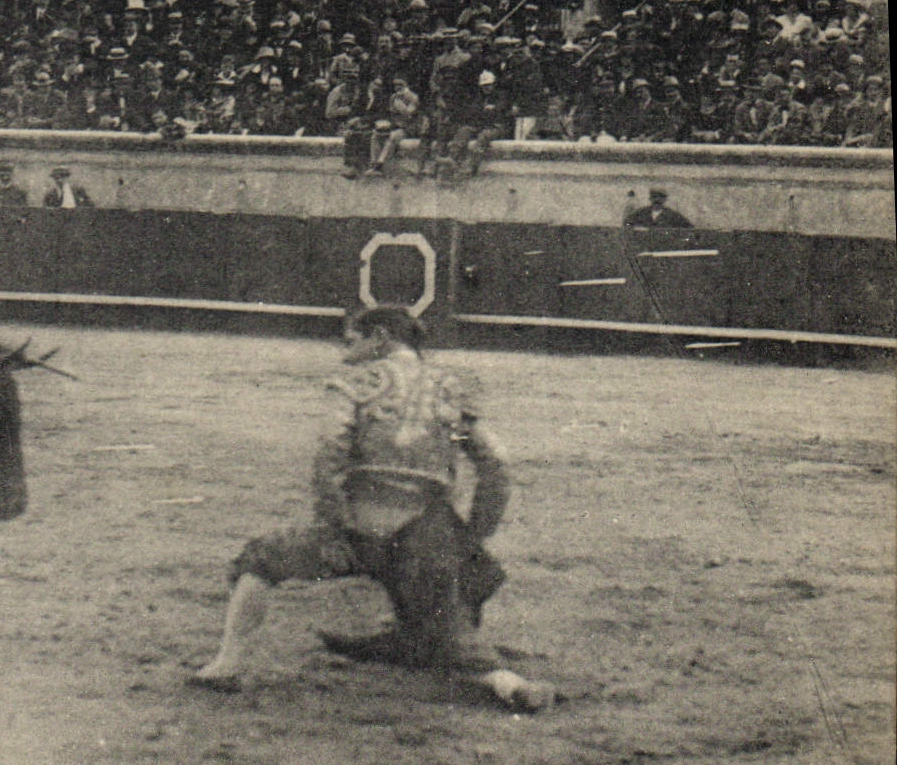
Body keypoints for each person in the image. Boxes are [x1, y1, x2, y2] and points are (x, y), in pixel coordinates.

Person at [193, 306, 555, 713]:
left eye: (353, 340)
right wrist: (471, 535)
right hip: (424, 531)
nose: (346, 351)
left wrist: (333, 528)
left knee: (259, 561)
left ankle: (227, 664)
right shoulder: (451, 390)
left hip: (357, 526)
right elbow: (497, 466)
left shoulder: (355, 384)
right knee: (452, 627)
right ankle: (509, 685)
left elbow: (329, 456)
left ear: (379, 338)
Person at [624, 188, 693, 228]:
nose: (657, 200)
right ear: (650, 199)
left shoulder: (673, 215)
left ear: (665, 199)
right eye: (654, 197)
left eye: (660, 197)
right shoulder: (641, 213)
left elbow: (689, 227)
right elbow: (627, 223)